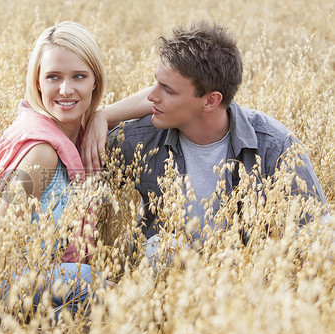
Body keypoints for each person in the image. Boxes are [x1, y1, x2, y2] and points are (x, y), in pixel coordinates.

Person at [80, 20, 328, 262]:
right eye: (156, 82)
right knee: (161, 248)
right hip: (163, 284)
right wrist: (100, 116)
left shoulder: (275, 146)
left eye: (167, 89)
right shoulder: (140, 139)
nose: (152, 96)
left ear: (210, 101)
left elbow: (313, 233)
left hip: (247, 282)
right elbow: (68, 185)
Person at [0, 21, 107, 318]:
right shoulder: (44, 155)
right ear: (37, 82)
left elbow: (160, 93)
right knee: (108, 290)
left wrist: (103, 114)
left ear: (95, 81)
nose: (66, 89)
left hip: (49, 287)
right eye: (53, 77)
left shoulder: (83, 137)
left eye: (79, 76)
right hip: (14, 290)